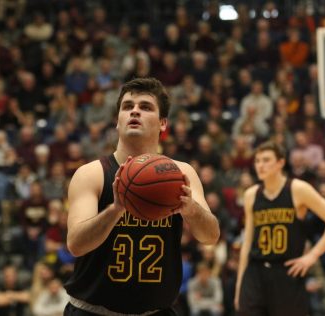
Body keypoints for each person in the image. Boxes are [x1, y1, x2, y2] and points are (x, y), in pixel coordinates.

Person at [64, 77, 220, 315]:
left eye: (145, 107)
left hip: (156, 311)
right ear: (117, 121)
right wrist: (116, 209)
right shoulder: (91, 174)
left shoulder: (181, 173)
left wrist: (191, 209)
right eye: (127, 107)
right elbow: (76, 244)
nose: (134, 111)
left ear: (163, 123)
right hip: (93, 310)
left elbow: (210, 236)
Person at [234, 141, 325, 316]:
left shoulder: (297, 189)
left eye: (266, 160)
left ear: (280, 163)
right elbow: (247, 242)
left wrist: (312, 256)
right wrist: (240, 285)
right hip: (255, 273)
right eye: (257, 161)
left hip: (286, 272)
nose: (260, 165)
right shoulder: (251, 195)